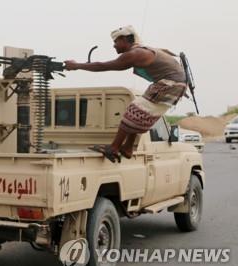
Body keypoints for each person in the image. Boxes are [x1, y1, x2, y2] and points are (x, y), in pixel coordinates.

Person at [64, 25, 186, 163]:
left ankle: (114, 148)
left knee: (135, 110)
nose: (114, 45)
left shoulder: (135, 54)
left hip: (170, 84)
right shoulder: (142, 51)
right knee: (139, 111)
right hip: (172, 83)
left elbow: (104, 66)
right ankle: (127, 147)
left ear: (124, 39)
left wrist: (77, 66)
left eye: (116, 41)